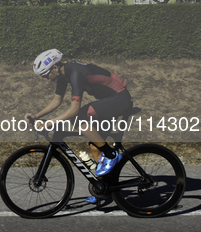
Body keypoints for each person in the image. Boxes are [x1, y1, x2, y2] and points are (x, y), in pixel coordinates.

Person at [25, 49, 133, 204]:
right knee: (95, 143)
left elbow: (74, 109)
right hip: (110, 100)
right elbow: (57, 101)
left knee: (78, 118)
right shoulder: (63, 74)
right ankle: (104, 187)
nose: (45, 79)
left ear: (55, 68)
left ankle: (112, 155)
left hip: (119, 99)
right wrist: (37, 116)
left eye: (44, 75)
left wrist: (50, 122)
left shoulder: (75, 74)